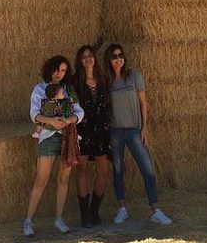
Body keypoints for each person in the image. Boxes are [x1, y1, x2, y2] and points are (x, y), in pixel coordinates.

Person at [104, 43, 172, 225]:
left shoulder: (134, 77)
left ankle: (155, 209)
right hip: (115, 131)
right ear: (109, 60)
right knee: (118, 170)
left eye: (120, 56)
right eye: (114, 57)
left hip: (134, 130)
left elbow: (143, 103)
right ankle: (122, 208)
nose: (118, 59)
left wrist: (144, 127)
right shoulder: (107, 82)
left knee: (147, 168)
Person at [23, 56, 84, 236]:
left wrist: (71, 119)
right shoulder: (40, 89)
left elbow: (79, 111)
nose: (60, 73)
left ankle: (59, 219)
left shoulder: (68, 90)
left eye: (64, 70)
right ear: (50, 69)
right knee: (41, 179)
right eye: (57, 69)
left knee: (63, 179)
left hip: (68, 137)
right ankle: (28, 221)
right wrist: (51, 121)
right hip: (48, 137)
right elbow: (34, 113)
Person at [73, 44, 111, 227]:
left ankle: (95, 211)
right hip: (82, 130)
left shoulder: (104, 80)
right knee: (82, 170)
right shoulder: (74, 82)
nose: (88, 58)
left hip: (102, 130)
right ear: (80, 61)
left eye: (90, 55)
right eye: (84, 56)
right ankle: (85, 215)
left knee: (103, 170)